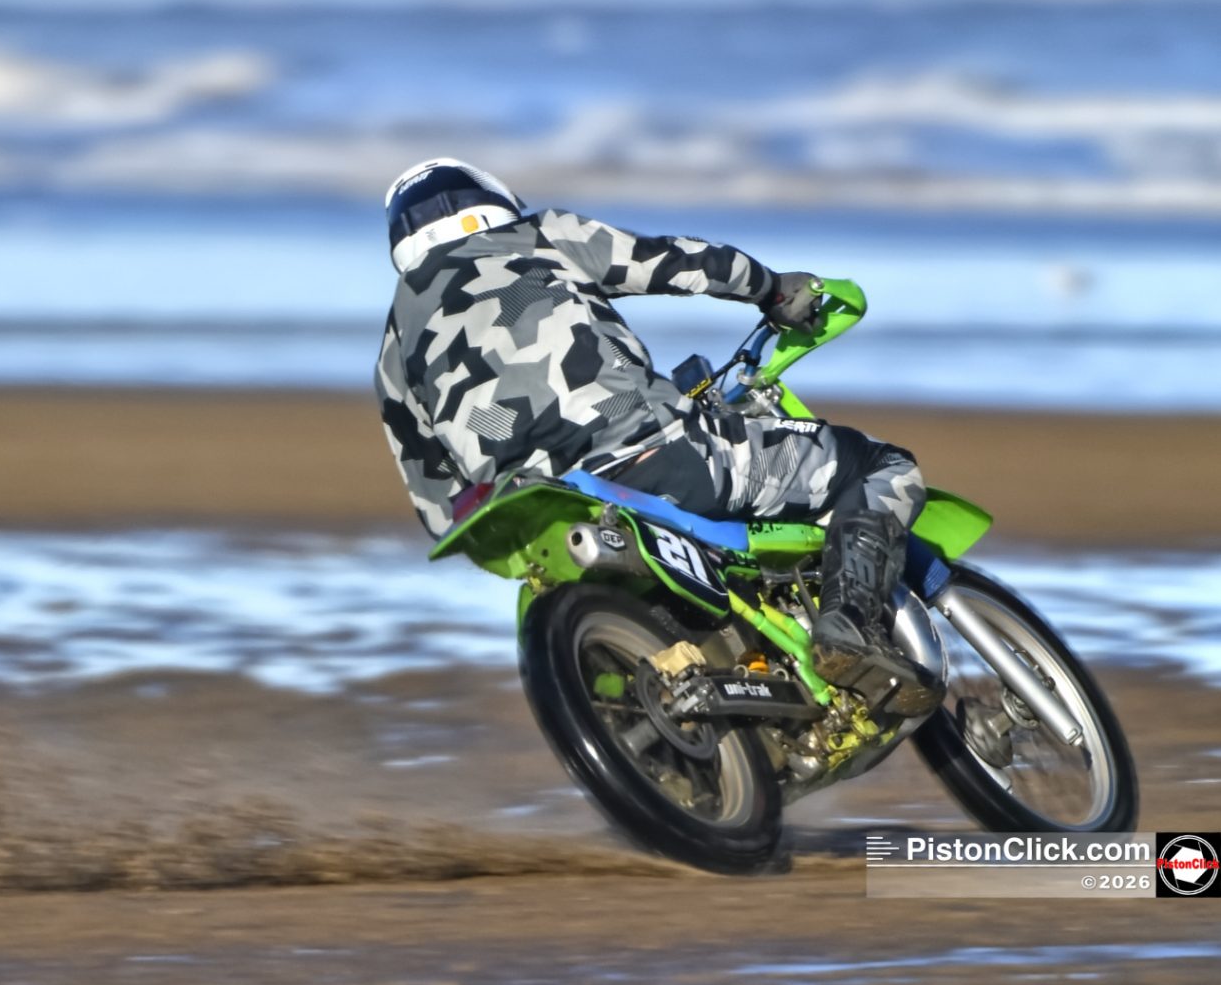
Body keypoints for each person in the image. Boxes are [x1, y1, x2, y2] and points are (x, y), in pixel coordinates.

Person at [374, 158, 936, 718]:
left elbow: (441, 511)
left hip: (541, 515)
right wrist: (771, 288)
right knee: (882, 467)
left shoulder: (394, 352)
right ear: (491, 201)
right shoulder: (537, 235)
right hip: (658, 454)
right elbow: (677, 262)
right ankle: (847, 625)